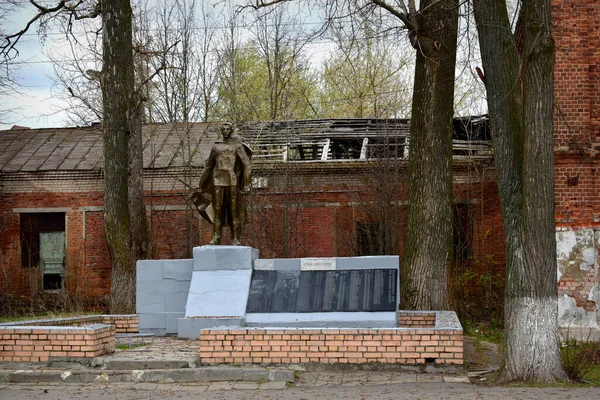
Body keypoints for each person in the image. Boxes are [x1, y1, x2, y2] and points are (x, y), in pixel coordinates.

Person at [191, 122, 252, 245]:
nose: (225, 130)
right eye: (223, 129)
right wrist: (200, 184)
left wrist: (247, 184)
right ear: (221, 130)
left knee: (234, 210)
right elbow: (208, 167)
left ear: (231, 130)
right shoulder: (216, 146)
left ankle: (235, 238)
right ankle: (216, 237)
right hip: (217, 181)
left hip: (232, 181)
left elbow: (247, 166)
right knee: (217, 210)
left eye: (228, 128)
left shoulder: (237, 146)